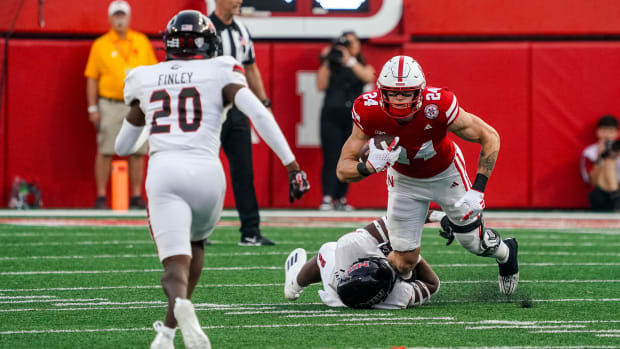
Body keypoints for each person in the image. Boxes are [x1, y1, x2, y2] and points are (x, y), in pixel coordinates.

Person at [114, 10, 309, 349]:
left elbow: (123, 146)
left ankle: (177, 309)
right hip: (208, 172)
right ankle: (167, 334)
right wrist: (292, 165)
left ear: (169, 44)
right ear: (210, 44)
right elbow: (258, 114)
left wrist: (152, 119)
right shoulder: (222, 69)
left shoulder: (144, 76)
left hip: (165, 171)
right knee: (197, 245)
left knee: (175, 262)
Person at [335, 55, 519, 296]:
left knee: (474, 242)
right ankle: (399, 291)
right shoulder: (368, 110)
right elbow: (342, 170)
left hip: (446, 174)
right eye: (393, 93)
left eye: (406, 93)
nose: (399, 100)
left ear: (419, 92)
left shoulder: (439, 105)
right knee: (403, 261)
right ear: (381, 92)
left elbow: (490, 136)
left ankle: (506, 252)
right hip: (404, 180)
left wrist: (479, 187)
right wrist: (368, 167)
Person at [209, 0, 278, 245]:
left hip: (237, 110)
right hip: (211, 111)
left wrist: (263, 101)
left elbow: (251, 67)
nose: (239, 1)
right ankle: (197, 230)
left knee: (244, 171)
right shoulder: (206, 28)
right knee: (205, 171)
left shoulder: (241, 29)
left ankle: (250, 231)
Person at [284, 211, 445, 309]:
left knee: (328, 249)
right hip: (396, 282)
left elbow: (397, 220)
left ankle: (293, 286)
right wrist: (414, 259)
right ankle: (406, 261)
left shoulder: (350, 247)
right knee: (405, 260)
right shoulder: (398, 295)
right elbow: (433, 284)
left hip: (337, 295)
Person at [84, 0, 157, 209]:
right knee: (106, 149)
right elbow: (92, 78)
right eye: (116, 15)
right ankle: (100, 196)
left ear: (129, 17)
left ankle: (135, 196)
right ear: (109, 18)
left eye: (122, 15)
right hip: (110, 103)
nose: (119, 19)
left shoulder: (141, 41)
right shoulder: (101, 44)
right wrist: (92, 107)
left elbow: (152, 73)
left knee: (138, 151)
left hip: (137, 103)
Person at [317, 31, 375, 211]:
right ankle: (327, 197)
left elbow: (368, 76)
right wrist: (329, 59)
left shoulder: (360, 65)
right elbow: (320, 85)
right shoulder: (332, 64)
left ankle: (341, 197)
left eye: (351, 43)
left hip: (352, 117)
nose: (348, 47)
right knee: (331, 156)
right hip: (331, 115)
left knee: (350, 155)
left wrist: (349, 60)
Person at [580, 115, 620, 211]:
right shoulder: (589, 153)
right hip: (601, 194)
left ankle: (616, 198)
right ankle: (616, 200)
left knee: (610, 160)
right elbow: (592, 182)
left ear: (617, 133)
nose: (607, 135)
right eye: (603, 131)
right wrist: (600, 158)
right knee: (608, 160)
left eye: (611, 131)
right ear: (597, 132)